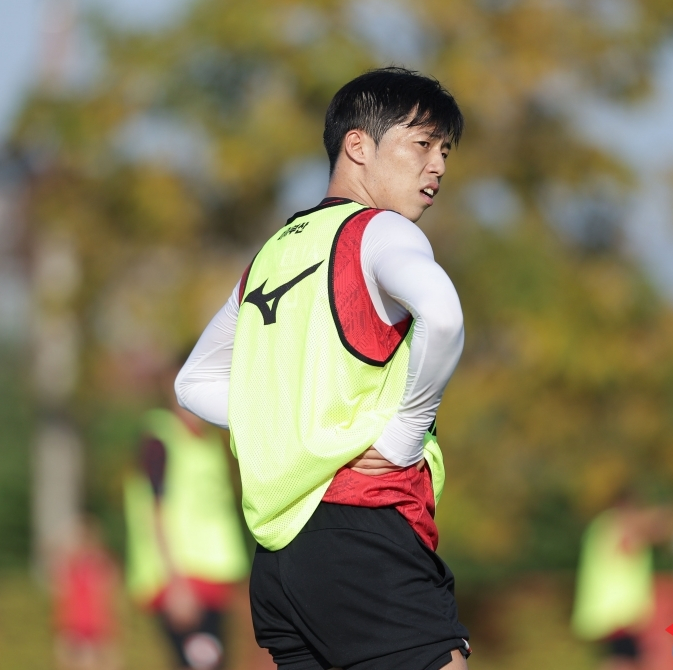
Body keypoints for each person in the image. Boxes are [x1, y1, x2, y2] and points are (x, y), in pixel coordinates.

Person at [176, 67, 469, 670]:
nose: (437, 165)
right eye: (421, 144)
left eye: (445, 150)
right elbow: (442, 315)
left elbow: (194, 382)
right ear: (357, 145)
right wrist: (404, 431)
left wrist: (291, 427)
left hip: (280, 564)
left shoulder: (275, 251)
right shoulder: (380, 231)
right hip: (364, 537)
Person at [124, 369, 251, 670]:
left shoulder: (208, 442)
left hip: (213, 580)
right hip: (183, 582)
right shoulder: (160, 438)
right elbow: (152, 511)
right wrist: (175, 583)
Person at [571, 492, 673, 670]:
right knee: (622, 660)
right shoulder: (615, 525)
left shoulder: (601, 525)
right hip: (617, 609)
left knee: (621, 657)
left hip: (613, 609)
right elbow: (629, 543)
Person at [52, 514, 120, 670]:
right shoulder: (70, 565)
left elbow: (110, 593)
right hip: (75, 628)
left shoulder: (101, 564)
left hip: (98, 628)